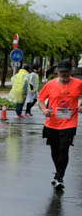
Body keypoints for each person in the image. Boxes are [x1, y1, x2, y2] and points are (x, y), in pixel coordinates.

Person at [37, 59, 82, 189]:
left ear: (70, 71)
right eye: (61, 72)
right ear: (57, 71)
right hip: (52, 123)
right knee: (54, 150)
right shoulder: (50, 84)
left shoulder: (78, 83)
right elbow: (40, 99)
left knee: (64, 149)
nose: (63, 74)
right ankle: (58, 173)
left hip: (69, 123)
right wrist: (44, 110)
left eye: (66, 72)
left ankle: (59, 177)